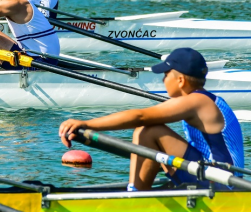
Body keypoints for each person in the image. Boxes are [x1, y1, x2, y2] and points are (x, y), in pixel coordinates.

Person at [59, 48, 243, 191]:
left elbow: (140, 116)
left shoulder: (196, 102)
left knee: (148, 130)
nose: (163, 80)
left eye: (166, 74)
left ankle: (135, 196)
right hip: (212, 174)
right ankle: (139, 191)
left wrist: (86, 124)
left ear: (180, 80)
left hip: (221, 183)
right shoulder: (206, 100)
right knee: (149, 133)